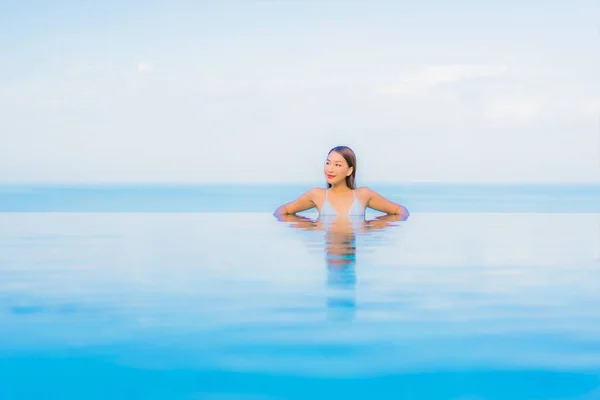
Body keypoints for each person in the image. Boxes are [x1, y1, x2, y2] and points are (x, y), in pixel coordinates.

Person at [273, 145, 409, 218]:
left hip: (350, 253)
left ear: (349, 171)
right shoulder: (317, 195)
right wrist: (308, 226)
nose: (330, 169)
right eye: (328, 163)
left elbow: (400, 210)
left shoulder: (363, 194)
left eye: (337, 165)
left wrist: (374, 227)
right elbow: (282, 211)